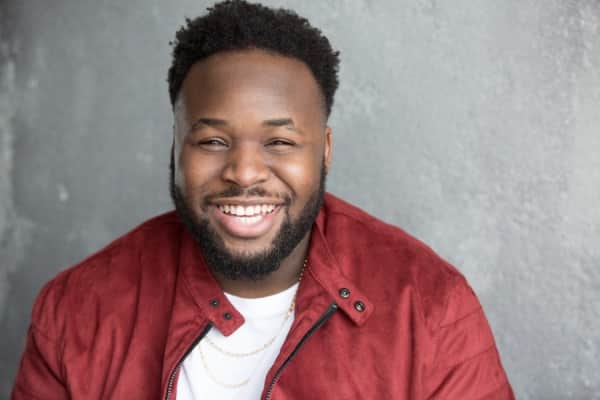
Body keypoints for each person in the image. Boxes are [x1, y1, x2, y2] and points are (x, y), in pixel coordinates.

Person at [12, 1, 514, 399]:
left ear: (325, 151)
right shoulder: (75, 312)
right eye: (213, 141)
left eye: (279, 141)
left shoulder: (430, 309)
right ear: (176, 146)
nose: (245, 172)